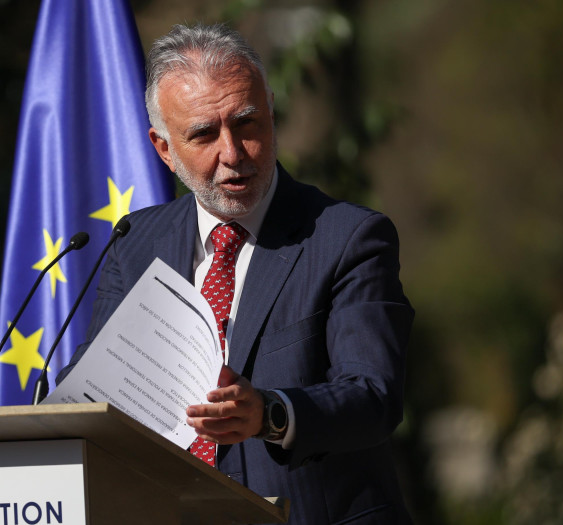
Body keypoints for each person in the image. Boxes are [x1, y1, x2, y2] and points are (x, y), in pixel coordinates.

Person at [59, 23, 413, 524]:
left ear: (271, 113)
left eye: (247, 123)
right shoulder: (135, 242)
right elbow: (97, 386)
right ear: (164, 149)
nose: (233, 153)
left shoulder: (347, 237)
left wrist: (270, 413)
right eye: (204, 134)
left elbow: (373, 396)